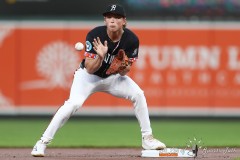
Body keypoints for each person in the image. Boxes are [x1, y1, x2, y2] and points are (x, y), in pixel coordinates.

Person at [31, 4, 166, 157]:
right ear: (105, 20)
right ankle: (41, 143)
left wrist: (122, 65)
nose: (112, 21)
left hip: (112, 78)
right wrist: (101, 56)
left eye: (116, 17)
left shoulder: (131, 39)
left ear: (124, 21)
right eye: (109, 17)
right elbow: (89, 69)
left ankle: (147, 139)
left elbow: (125, 72)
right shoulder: (96, 35)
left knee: (138, 94)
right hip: (87, 78)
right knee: (73, 104)